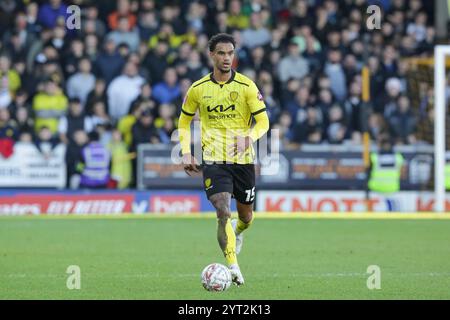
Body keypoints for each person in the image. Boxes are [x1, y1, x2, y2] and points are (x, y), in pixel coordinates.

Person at [177, 33, 270, 286]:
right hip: (214, 160)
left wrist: (249, 138)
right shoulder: (198, 89)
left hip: (243, 160)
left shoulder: (247, 86)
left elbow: (264, 121)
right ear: (212, 55)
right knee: (221, 210)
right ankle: (233, 266)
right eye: (221, 53)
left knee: (246, 217)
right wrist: (186, 150)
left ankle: (238, 232)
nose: (226, 58)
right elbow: (184, 121)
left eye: (230, 53)